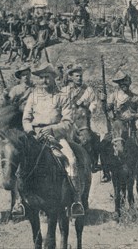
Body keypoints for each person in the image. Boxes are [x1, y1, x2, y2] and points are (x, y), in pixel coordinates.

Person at [22, 63, 84, 216]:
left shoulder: (62, 97)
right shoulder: (34, 96)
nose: (43, 81)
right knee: (19, 160)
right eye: (41, 78)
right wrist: (31, 131)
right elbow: (26, 119)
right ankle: (19, 201)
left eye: (47, 78)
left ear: (53, 78)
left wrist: (51, 129)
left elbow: (68, 122)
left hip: (55, 136)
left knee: (71, 160)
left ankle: (76, 200)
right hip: (35, 135)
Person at [101, 70, 138, 182]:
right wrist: (103, 100)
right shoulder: (113, 96)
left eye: (125, 82)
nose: (123, 85)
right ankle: (106, 172)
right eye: (121, 82)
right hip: (117, 128)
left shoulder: (135, 97)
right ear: (118, 84)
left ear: (129, 83)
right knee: (103, 145)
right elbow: (107, 110)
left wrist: (133, 115)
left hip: (131, 128)